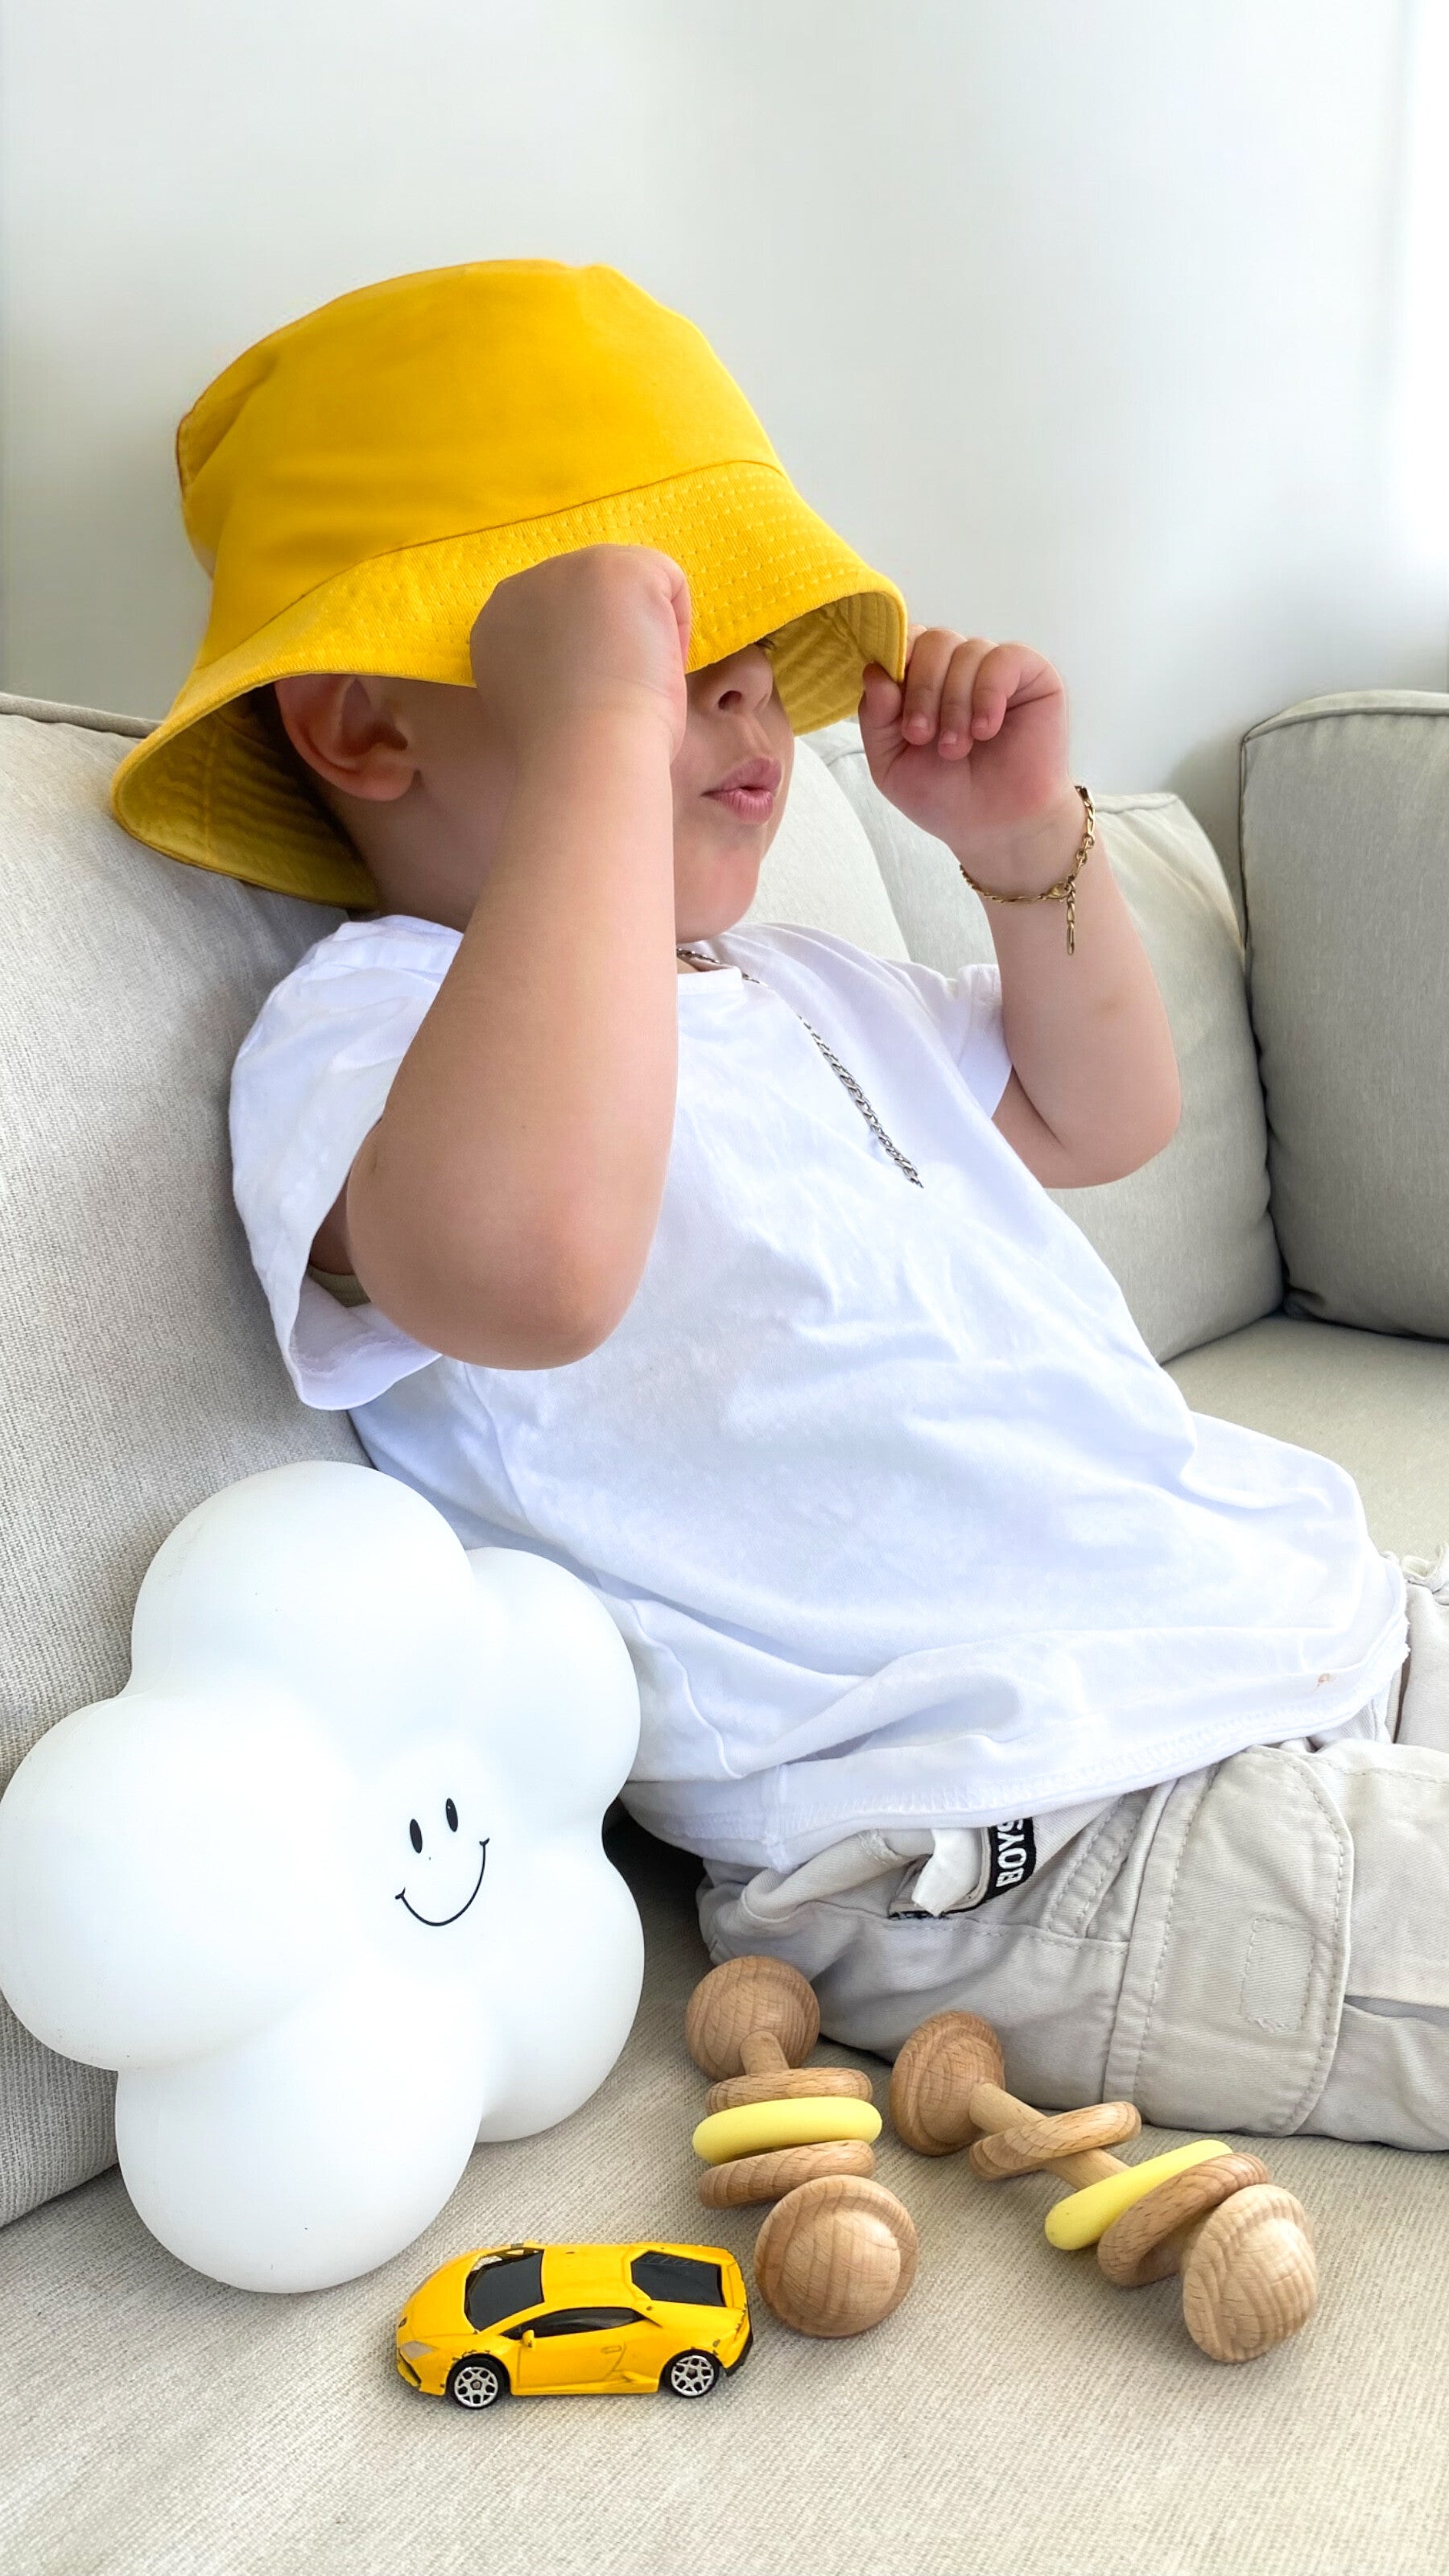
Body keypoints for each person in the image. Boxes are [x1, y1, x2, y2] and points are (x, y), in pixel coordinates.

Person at [114, 260, 1449, 2149]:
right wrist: (600, 735)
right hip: (1017, 1821)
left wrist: (1025, 851)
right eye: (671, 660)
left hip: (1305, 1612)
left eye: (752, 661)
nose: (747, 701)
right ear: (364, 728)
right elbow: (527, 1267)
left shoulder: (802, 986)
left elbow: (1105, 1113)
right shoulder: (369, 1033)